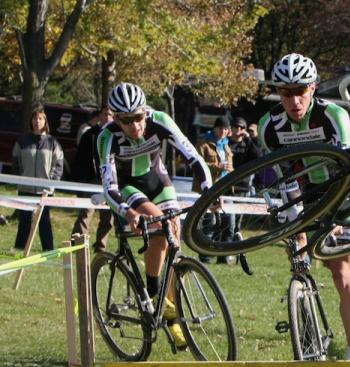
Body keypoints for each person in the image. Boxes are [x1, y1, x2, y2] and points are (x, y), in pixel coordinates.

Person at [259, 53, 350, 362]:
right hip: (309, 199)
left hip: (347, 192)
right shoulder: (269, 126)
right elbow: (285, 179)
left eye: (301, 91)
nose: (295, 100)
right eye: (287, 93)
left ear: (313, 88)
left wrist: (336, 213)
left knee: (343, 272)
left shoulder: (332, 115)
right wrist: (294, 226)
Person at [98, 82, 212, 349]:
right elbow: (108, 187)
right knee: (160, 227)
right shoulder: (106, 137)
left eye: (138, 117)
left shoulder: (159, 119)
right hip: (127, 187)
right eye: (126, 121)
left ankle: (169, 311)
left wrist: (209, 190)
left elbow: (193, 156)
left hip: (157, 180)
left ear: (144, 112)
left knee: (174, 238)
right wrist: (127, 212)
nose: (135, 126)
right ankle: (153, 290)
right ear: (115, 118)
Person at [13, 107, 64, 252]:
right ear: (31, 121)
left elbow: (59, 164)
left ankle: (48, 250)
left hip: (45, 191)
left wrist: (52, 184)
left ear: (45, 121)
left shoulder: (53, 142)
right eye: (34, 118)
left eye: (40, 118)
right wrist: (19, 179)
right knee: (24, 220)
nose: (37, 121)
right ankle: (19, 248)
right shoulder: (22, 141)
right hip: (25, 188)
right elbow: (15, 161)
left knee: (44, 221)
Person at [71, 106, 114, 252]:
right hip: (90, 180)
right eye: (104, 114)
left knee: (108, 218)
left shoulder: (117, 136)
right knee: (86, 214)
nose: (107, 117)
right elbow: (80, 159)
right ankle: (77, 244)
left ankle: (101, 246)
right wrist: (80, 181)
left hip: (109, 181)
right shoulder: (89, 134)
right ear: (99, 116)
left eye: (110, 114)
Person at [197, 116, 235, 265]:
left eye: (226, 129)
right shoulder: (204, 144)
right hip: (209, 188)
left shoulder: (226, 146)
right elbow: (198, 164)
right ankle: (205, 257)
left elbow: (229, 165)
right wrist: (219, 167)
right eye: (220, 128)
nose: (223, 131)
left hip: (226, 188)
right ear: (214, 128)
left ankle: (223, 256)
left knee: (229, 223)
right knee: (210, 224)